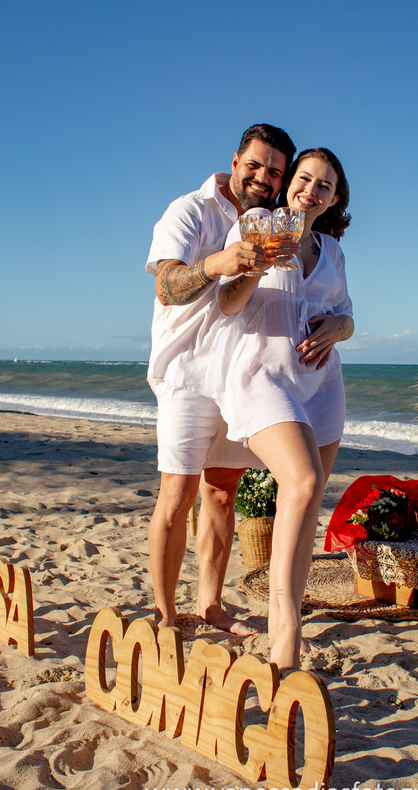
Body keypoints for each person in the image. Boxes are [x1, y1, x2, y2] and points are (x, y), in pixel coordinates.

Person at [144, 123, 296, 635]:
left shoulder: (274, 221)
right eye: (254, 165)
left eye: (274, 172)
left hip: (238, 375)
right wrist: (218, 264)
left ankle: (210, 605)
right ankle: (166, 616)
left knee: (222, 495)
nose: (262, 177)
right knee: (177, 494)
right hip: (186, 370)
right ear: (234, 161)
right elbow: (166, 286)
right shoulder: (190, 210)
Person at [210, 147, 354, 668]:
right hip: (264, 375)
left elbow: (347, 316)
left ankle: (281, 617)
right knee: (305, 482)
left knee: (306, 502)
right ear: (289, 181)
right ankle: (288, 634)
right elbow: (227, 303)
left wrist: (338, 327)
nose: (310, 190)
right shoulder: (255, 225)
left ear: (333, 199)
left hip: (322, 385)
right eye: (304, 178)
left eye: (324, 185)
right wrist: (257, 265)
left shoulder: (332, 251)